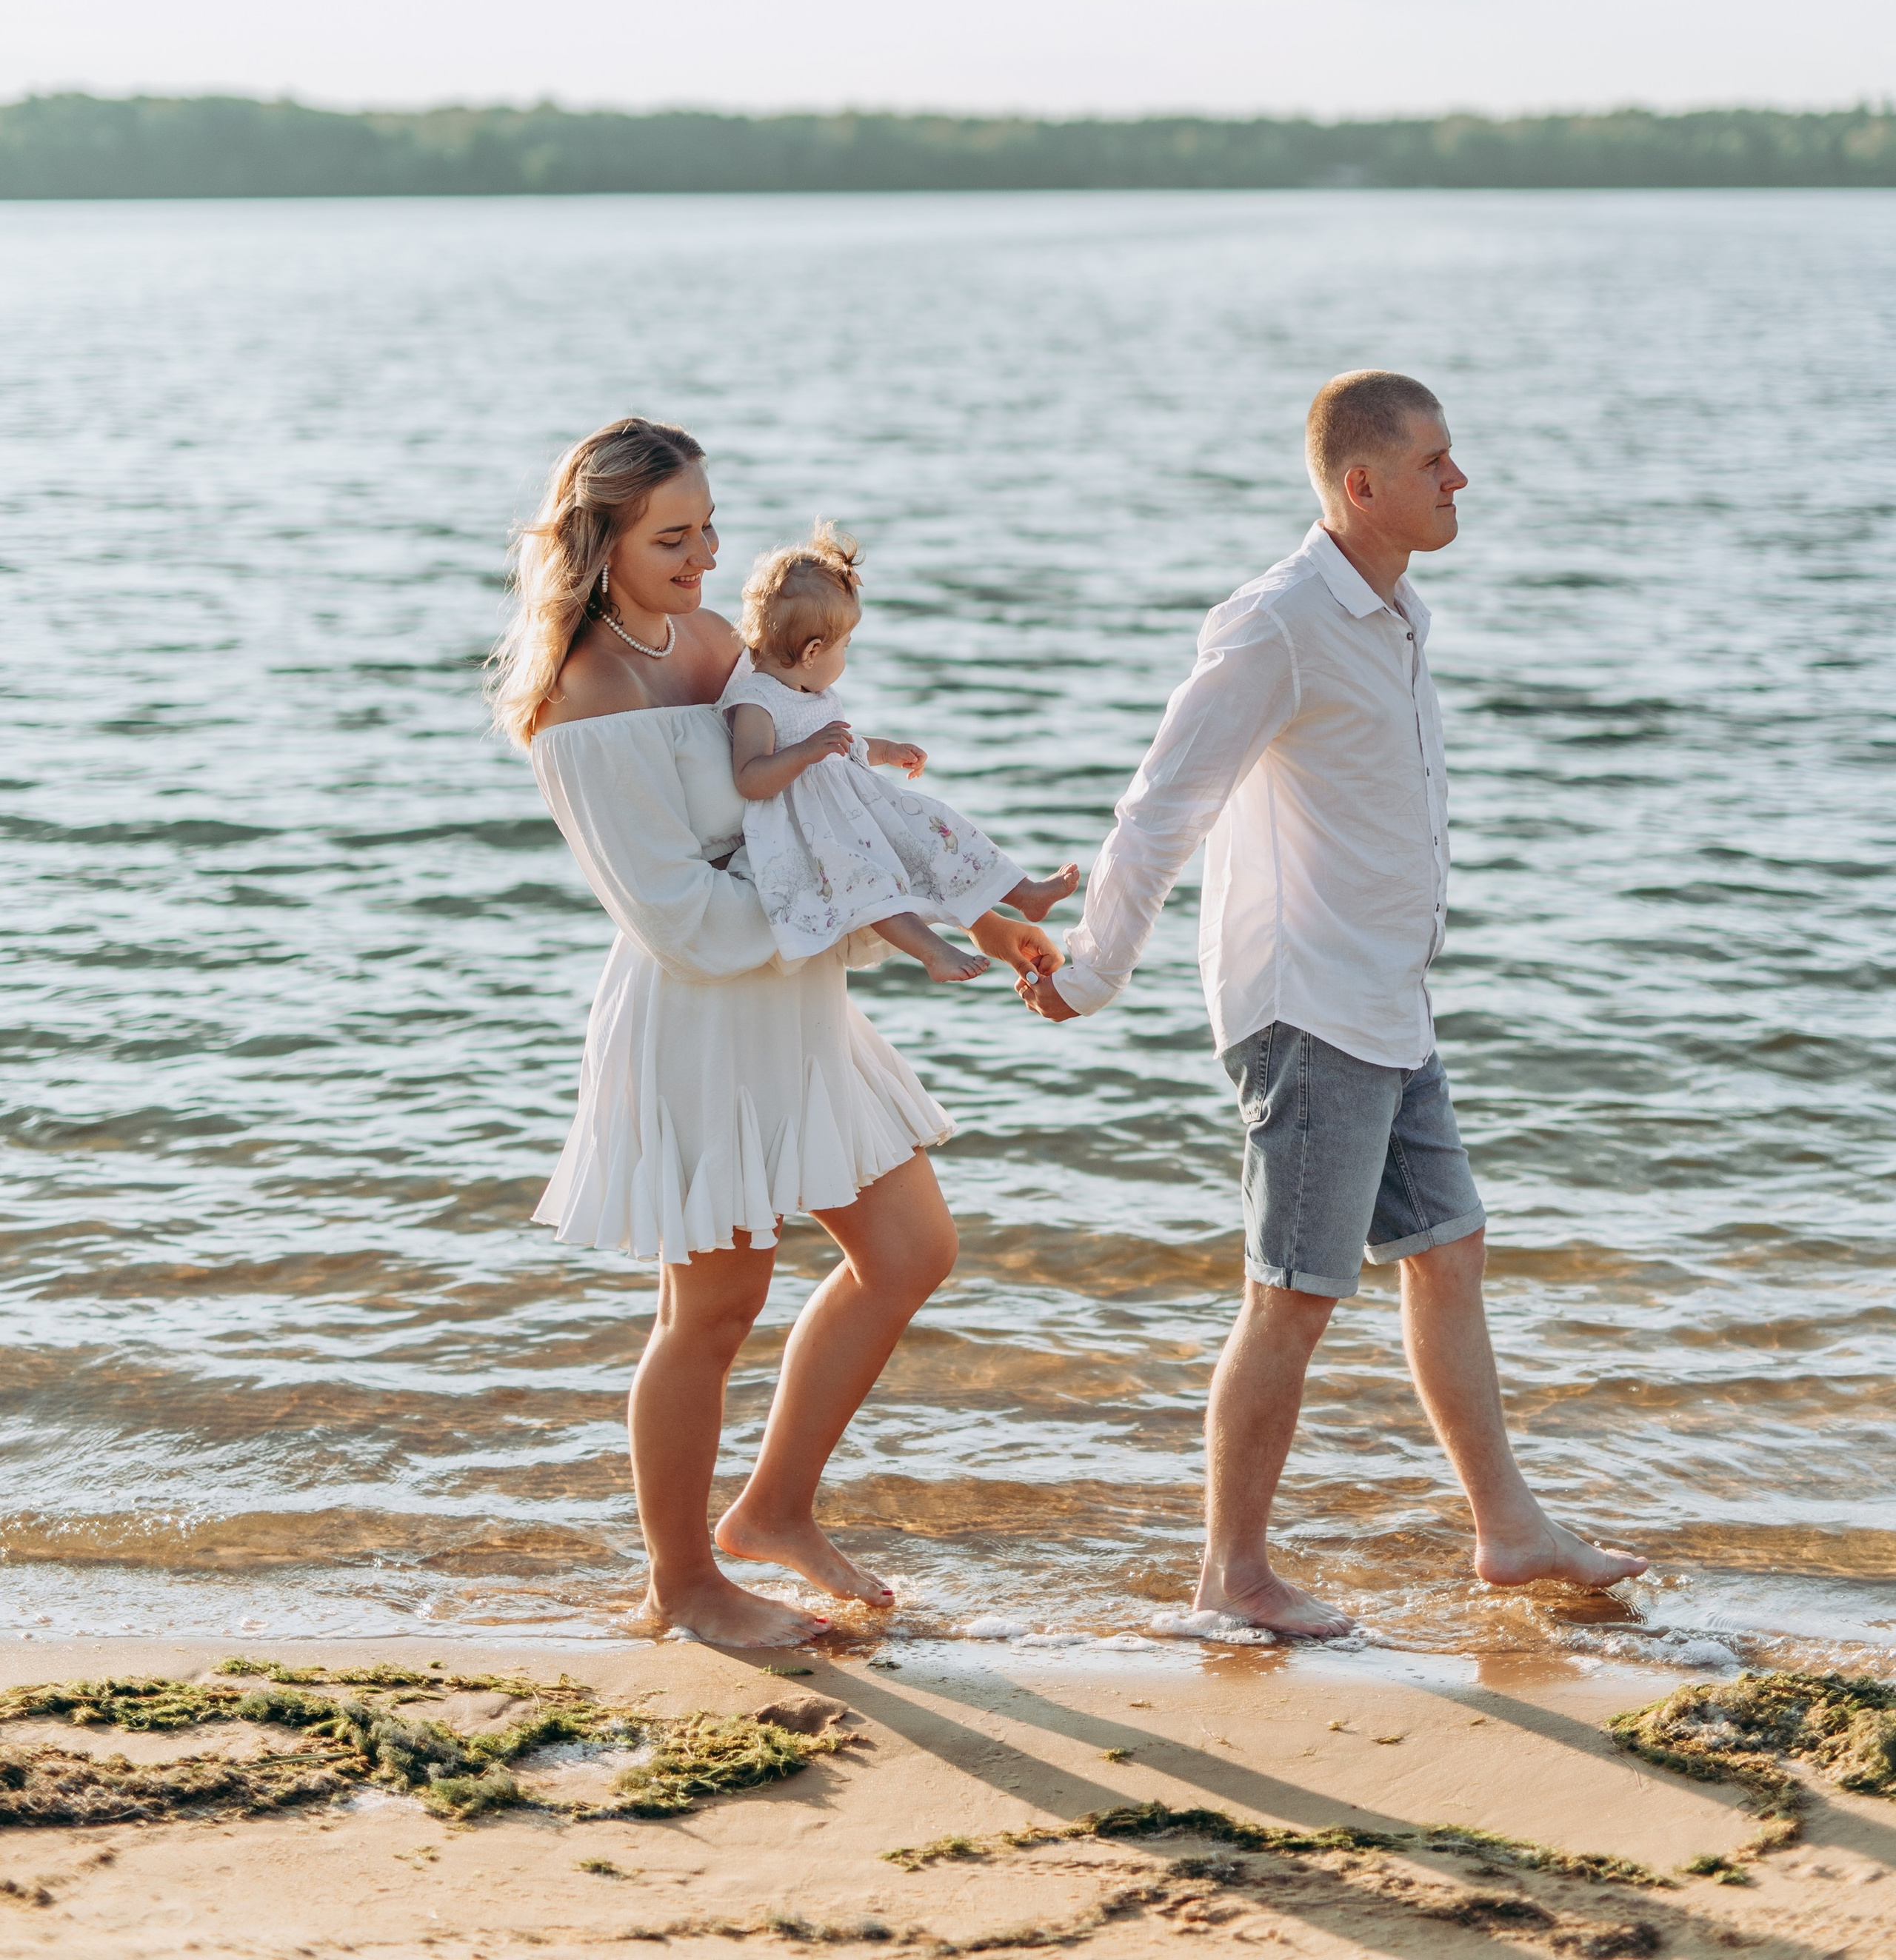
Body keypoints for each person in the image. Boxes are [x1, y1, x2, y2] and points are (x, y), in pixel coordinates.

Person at [1018, 370, 1648, 1639]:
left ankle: (1509, 1531)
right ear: (1361, 486)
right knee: (1292, 1294)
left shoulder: (1394, 609)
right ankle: (1230, 1580)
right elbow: (1159, 808)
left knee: (1449, 1249)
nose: (1458, 480)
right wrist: (1091, 970)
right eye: (1434, 463)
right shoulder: (1276, 623)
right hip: (1307, 1007)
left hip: (1385, 1001)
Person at [492, 416, 1061, 1649]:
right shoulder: (584, 684)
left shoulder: (706, 644)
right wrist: (852, 921)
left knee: (910, 1250)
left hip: (800, 999)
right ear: (599, 544)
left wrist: (982, 910)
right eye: (672, 538)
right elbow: (677, 912)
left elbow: (826, 807)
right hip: (697, 1015)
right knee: (711, 1308)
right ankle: (683, 1584)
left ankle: (775, 1510)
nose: (703, 561)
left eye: (709, 529)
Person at [724, 523, 1078, 984]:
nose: (845, 657)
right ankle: (932, 952)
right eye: (844, 646)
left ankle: (1021, 891)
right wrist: (806, 752)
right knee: (870, 886)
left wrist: (886, 750)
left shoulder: (811, 693)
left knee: (937, 827)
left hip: (857, 810)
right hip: (812, 830)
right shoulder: (758, 700)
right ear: (812, 651)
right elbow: (750, 778)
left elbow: (843, 751)